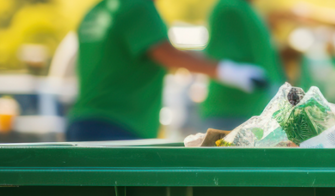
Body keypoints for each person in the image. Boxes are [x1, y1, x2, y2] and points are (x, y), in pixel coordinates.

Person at [68, 0, 268, 141]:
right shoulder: (137, 6)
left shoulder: (94, 11)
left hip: (84, 122)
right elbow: (166, 53)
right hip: (118, 128)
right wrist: (232, 72)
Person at [198, 0, 286, 133]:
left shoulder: (246, 8)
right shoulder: (229, 7)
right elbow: (218, 58)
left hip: (253, 111)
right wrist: (237, 74)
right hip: (232, 112)